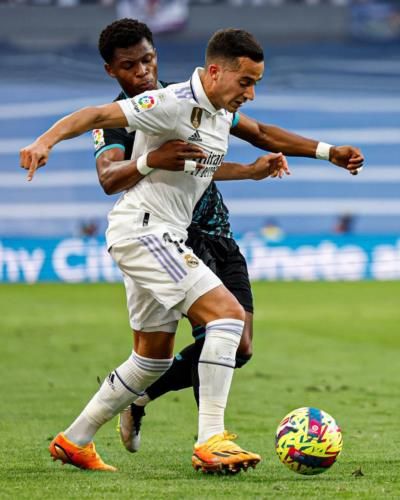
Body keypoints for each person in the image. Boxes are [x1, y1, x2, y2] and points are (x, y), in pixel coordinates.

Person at [20, 28, 364, 475]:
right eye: (246, 82)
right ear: (216, 72)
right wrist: (44, 141)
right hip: (145, 232)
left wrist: (325, 152)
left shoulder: (219, 111)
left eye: (256, 83)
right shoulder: (171, 102)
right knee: (228, 317)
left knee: (152, 357)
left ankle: (75, 440)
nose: (252, 93)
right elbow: (96, 114)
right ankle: (211, 439)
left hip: (161, 234)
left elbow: (253, 137)